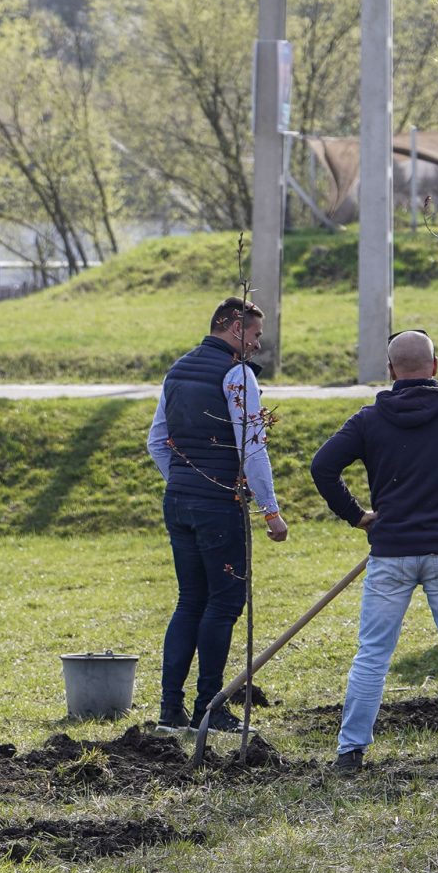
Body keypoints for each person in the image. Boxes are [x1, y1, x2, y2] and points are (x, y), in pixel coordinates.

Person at [309, 330, 438, 772]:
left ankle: (350, 752)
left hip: (392, 551)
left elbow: (323, 467)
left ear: (391, 370)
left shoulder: (368, 420)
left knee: (373, 654)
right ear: (434, 367)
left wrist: (357, 515)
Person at [144, 296, 289, 733]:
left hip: (178, 501)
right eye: (255, 334)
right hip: (218, 504)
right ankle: (210, 707)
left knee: (190, 600)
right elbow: (253, 448)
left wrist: (184, 478)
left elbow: (157, 441)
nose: (258, 344)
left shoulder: (177, 369)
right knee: (224, 602)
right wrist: (271, 511)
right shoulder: (238, 375)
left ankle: (170, 709)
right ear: (234, 327)